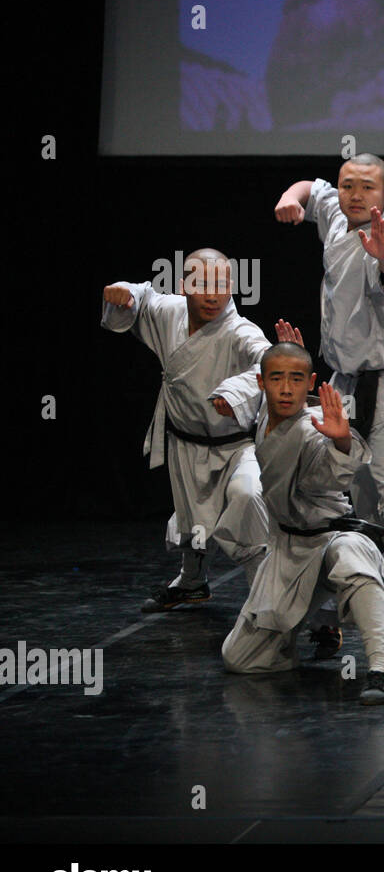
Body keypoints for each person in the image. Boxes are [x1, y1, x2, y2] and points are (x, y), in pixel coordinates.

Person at [274, 152, 384, 621]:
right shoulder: (334, 208)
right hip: (345, 380)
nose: (354, 194)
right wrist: (291, 196)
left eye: (366, 187)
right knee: (358, 487)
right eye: (349, 185)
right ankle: (374, 582)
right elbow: (312, 187)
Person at [220, 343, 384, 705]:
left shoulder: (312, 429)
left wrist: (342, 441)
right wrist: (292, 355)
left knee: (353, 556)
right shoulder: (264, 422)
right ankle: (290, 635)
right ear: (262, 382)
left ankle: (382, 669)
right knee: (241, 659)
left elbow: (328, 475)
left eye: (297, 379)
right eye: (277, 378)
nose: (286, 388)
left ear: (311, 382)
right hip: (288, 548)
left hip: (331, 537)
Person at [101, 250, 270, 611]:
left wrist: (235, 392)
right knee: (193, 517)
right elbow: (142, 300)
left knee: (246, 497)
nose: (213, 295)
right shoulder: (171, 313)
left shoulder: (240, 331)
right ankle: (192, 581)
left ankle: (270, 604)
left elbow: (268, 363)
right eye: (202, 284)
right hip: (184, 441)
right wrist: (124, 292)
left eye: (222, 285)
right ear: (183, 285)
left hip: (235, 446)